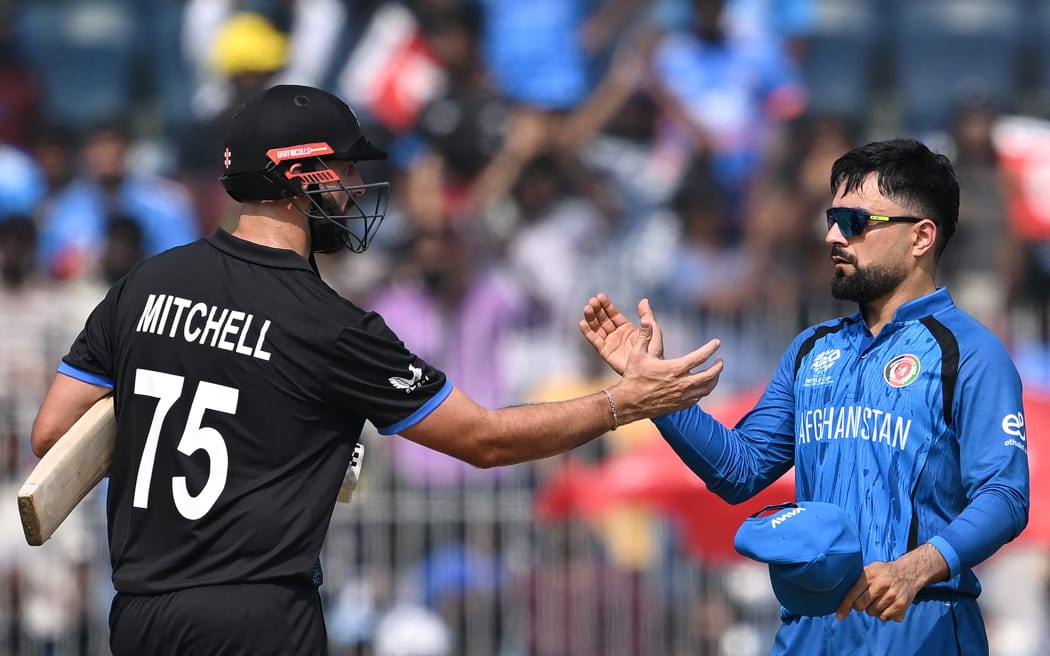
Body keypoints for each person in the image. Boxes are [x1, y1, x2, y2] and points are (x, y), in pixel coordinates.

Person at [28, 83, 721, 656]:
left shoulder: (144, 285)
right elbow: (484, 439)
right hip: (259, 619)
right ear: (303, 179)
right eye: (346, 172)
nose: (356, 189)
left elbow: (51, 434)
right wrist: (623, 404)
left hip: (140, 616)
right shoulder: (330, 324)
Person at [579, 138, 1029, 655]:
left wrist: (915, 568)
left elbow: (1005, 496)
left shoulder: (971, 352)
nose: (833, 235)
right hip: (808, 634)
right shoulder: (812, 349)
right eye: (832, 218)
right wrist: (656, 392)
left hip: (918, 626)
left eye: (855, 222)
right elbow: (740, 470)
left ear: (921, 237)